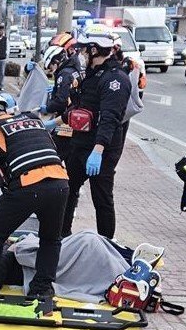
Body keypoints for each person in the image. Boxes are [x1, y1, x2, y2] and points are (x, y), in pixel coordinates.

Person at [0, 95, 69, 300]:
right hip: (60, 182)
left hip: (28, 185)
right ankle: (42, 288)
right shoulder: (34, 121)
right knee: (51, 239)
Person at [61, 25, 131, 240]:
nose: (80, 54)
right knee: (67, 189)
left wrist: (98, 151)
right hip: (80, 143)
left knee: (101, 198)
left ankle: (107, 243)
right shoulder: (90, 75)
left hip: (102, 149)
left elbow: (110, 118)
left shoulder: (115, 79)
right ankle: (63, 235)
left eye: (83, 50)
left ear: (94, 50)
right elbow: (80, 107)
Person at [40, 40, 82, 162]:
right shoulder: (73, 70)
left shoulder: (64, 75)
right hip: (73, 119)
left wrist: (47, 107)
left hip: (66, 126)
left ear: (56, 61)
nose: (51, 70)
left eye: (51, 66)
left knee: (53, 157)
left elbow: (61, 101)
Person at [112, 33, 146, 154]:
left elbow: (141, 84)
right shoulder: (131, 63)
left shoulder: (130, 64)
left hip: (120, 111)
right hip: (122, 111)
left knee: (115, 145)